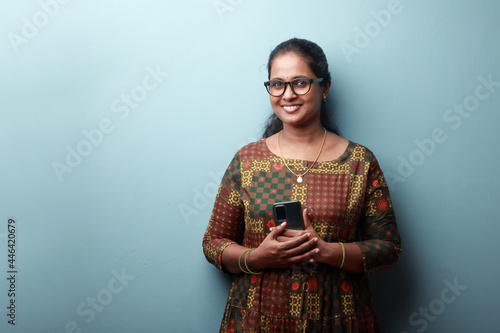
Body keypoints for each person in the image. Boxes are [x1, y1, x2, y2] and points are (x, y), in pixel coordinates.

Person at [203, 37, 401, 333]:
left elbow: (388, 248)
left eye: (300, 82)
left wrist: (325, 252)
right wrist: (258, 257)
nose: (287, 94)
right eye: (277, 84)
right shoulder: (247, 160)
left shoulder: (360, 162)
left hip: (338, 317)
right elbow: (213, 243)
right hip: (255, 319)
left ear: (325, 87)